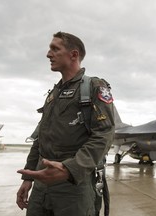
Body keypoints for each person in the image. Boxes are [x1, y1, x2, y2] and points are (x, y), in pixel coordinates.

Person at [16, 31, 115, 216]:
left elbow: (104, 134)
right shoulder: (53, 95)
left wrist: (70, 169)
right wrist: (28, 177)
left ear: (74, 54)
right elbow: (40, 139)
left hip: (74, 188)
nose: (48, 54)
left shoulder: (94, 87)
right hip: (41, 186)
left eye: (55, 49)